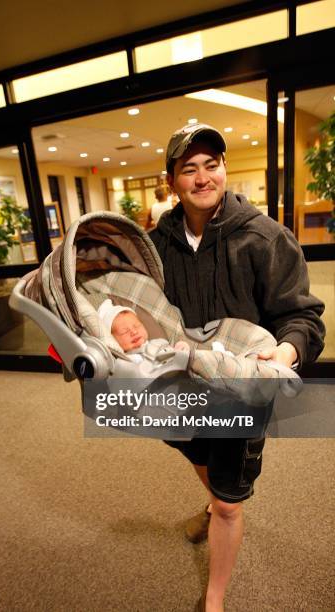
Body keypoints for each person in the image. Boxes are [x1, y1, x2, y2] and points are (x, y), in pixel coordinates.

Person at [149, 122, 325, 612]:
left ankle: (214, 596)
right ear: (172, 182)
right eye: (190, 169)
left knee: (230, 499)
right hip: (180, 390)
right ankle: (214, 499)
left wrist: (286, 353)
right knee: (199, 460)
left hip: (239, 393)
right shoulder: (155, 245)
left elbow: (301, 318)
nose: (203, 177)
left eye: (212, 164)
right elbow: (136, 306)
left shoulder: (266, 238)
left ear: (224, 169)